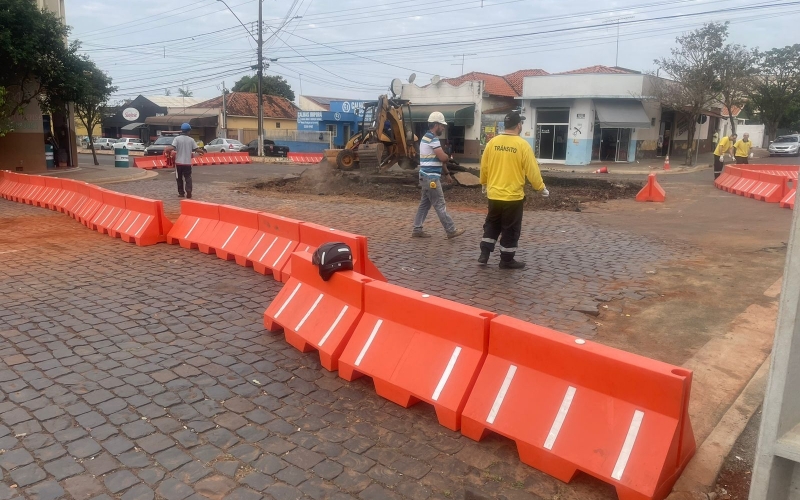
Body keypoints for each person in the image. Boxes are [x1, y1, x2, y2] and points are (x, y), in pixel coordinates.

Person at [478, 111, 548, 270]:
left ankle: (484, 254)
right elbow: (532, 170)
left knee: (492, 223)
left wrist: (483, 183)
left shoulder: (492, 143)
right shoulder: (522, 145)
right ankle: (506, 260)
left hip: (494, 194)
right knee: (510, 228)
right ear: (518, 125)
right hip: (513, 197)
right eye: (521, 123)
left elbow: (485, 166)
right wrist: (540, 188)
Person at [411, 112, 465, 239]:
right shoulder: (432, 139)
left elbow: (439, 159)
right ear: (436, 125)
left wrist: (446, 174)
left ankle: (417, 229)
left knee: (424, 204)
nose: (444, 128)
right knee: (440, 204)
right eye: (442, 125)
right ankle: (451, 230)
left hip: (426, 177)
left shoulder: (427, 137)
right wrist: (447, 156)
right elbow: (442, 158)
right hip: (431, 178)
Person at [165, 123, 202, 198]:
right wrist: (202, 151)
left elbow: (172, 147)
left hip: (178, 163)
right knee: (188, 177)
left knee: (179, 178)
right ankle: (189, 191)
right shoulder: (191, 140)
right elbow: (196, 149)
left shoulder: (177, 139)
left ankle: (181, 193)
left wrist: (167, 149)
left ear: (182, 130)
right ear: (188, 131)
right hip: (187, 163)